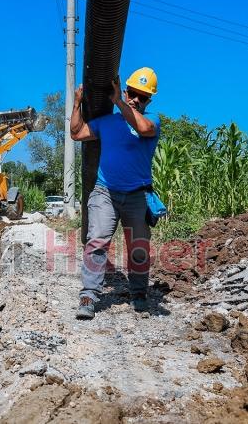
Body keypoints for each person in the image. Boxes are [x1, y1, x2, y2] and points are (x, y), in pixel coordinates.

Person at [69, 67, 160, 319]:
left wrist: (119, 100)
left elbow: (143, 129)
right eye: (133, 93)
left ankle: (139, 293)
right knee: (96, 241)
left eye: (143, 97)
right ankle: (88, 294)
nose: (136, 99)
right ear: (127, 89)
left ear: (149, 100)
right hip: (105, 192)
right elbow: (76, 133)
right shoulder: (107, 123)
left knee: (139, 247)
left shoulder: (152, 121)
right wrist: (77, 104)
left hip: (137, 195)